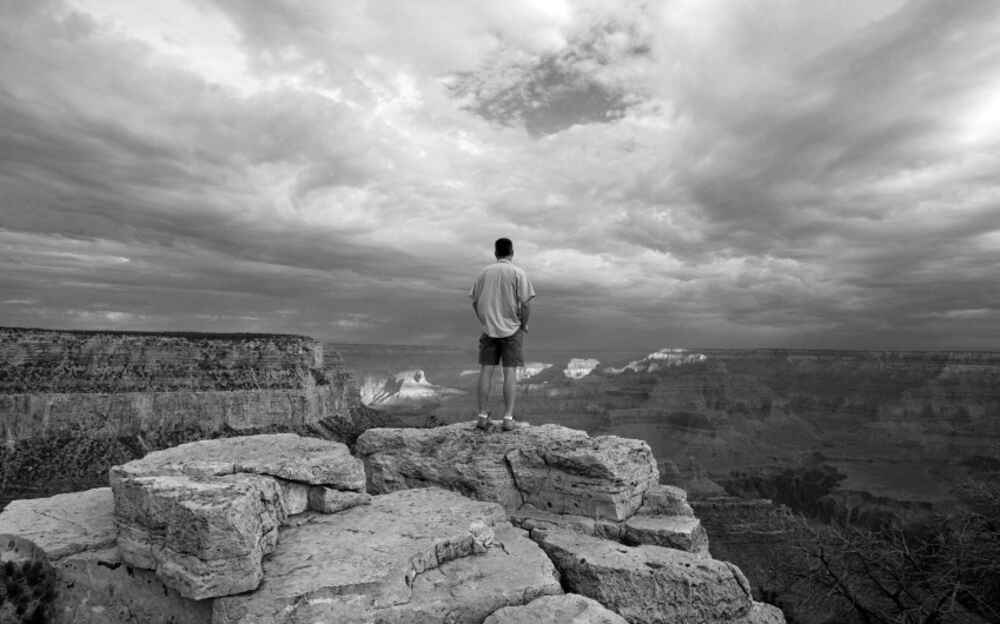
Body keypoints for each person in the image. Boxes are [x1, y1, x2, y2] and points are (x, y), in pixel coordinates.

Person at [469, 237, 535, 430]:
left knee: (486, 371)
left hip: (488, 329)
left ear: (495, 253)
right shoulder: (518, 273)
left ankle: (482, 416)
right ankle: (508, 418)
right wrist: (524, 324)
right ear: (512, 253)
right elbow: (525, 304)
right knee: (509, 373)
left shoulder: (483, 273)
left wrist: (484, 320)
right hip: (512, 329)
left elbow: (475, 302)